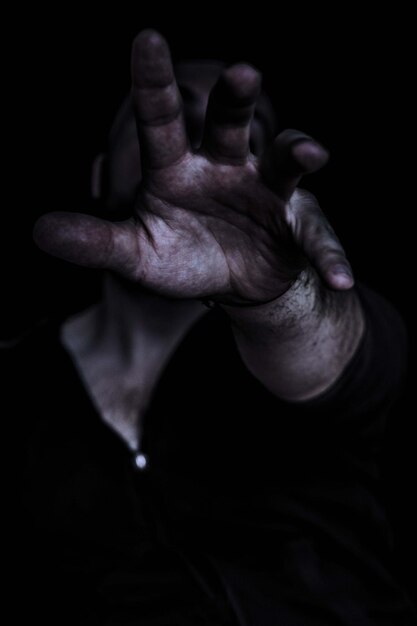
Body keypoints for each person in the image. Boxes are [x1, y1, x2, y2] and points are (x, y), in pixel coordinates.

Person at [4, 29, 416, 624]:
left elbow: (344, 362)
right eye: (173, 122)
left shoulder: (296, 333)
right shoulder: (18, 381)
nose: (197, 151)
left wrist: (277, 294)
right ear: (98, 174)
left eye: (233, 137)